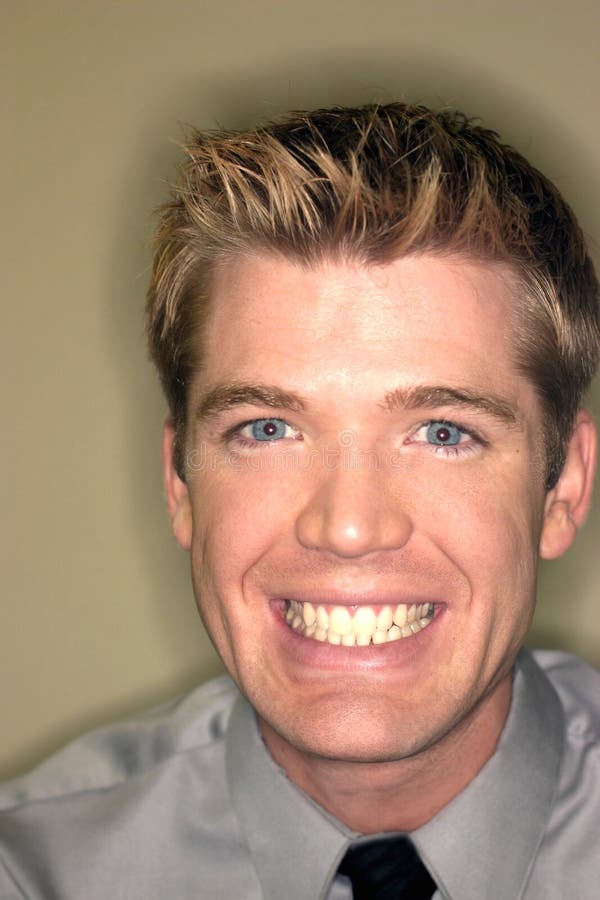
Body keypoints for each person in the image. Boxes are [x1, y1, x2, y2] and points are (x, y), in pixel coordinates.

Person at [1, 103, 599, 900]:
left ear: (563, 487)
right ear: (180, 482)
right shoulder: (34, 871)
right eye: (269, 428)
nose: (349, 527)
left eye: (444, 433)